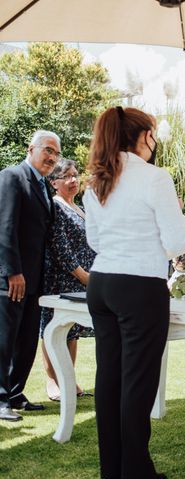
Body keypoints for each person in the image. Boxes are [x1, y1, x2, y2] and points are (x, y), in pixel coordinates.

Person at [84, 106, 185, 479]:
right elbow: (177, 241)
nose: (156, 140)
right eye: (154, 133)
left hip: (102, 285)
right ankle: (137, 472)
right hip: (139, 285)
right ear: (143, 135)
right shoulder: (154, 178)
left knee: (109, 379)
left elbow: (95, 240)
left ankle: (112, 471)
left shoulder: (96, 180)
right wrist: (181, 225)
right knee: (137, 382)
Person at [0, 130, 59, 422]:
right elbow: (5, 228)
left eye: (56, 153)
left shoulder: (45, 186)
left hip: (35, 280)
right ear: (30, 148)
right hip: (13, 279)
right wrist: (13, 272)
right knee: (4, 340)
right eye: (47, 150)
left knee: (26, 340)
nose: (52, 157)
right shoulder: (12, 177)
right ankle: (0, 398)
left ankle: (14, 393)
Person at [40, 159, 95, 401]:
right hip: (62, 279)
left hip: (83, 278)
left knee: (72, 331)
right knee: (53, 330)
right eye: (67, 176)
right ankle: (52, 381)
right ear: (54, 183)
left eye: (75, 175)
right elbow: (59, 246)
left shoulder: (79, 207)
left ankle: (68, 378)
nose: (74, 180)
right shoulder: (55, 207)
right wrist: (83, 275)